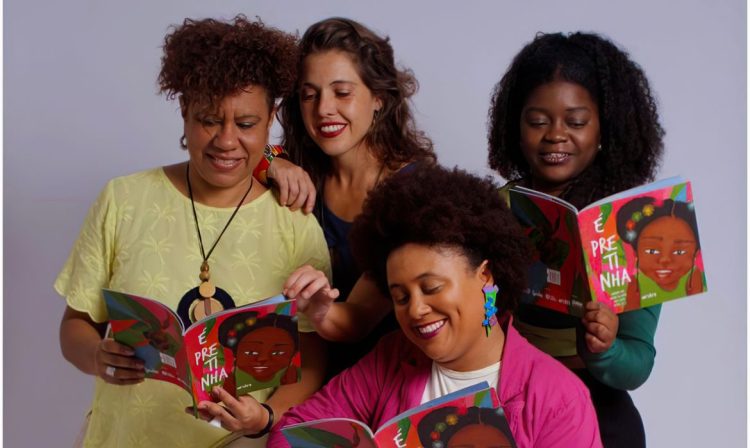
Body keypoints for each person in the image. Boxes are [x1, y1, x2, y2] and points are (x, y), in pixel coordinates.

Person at [55, 16, 331, 447]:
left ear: (270, 120)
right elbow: (75, 325)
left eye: (245, 124)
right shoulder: (122, 200)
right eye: (207, 119)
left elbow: (314, 361)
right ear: (184, 111)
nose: (225, 141)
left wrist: (265, 417)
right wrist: (95, 355)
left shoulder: (295, 223)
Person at [269, 165, 602, 447]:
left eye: (431, 288)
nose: (415, 310)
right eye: (400, 297)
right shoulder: (391, 359)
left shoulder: (558, 399)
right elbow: (290, 435)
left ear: (486, 276)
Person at [487, 32, 665, 447]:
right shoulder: (492, 209)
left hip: (598, 408)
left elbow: (638, 363)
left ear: (605, 127)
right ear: (516, 127)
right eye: (537, 121)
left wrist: (605, 349)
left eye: (576, 121)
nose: (555, 135)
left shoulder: (636, 225)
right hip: (515, 404)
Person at [279, 17, 436, 376]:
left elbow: (357, 321)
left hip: (388, 381)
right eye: (309, 94)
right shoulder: (302, 170)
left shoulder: (413, 193)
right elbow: (242, 152)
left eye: (342, 92)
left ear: (378, 98)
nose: (323, 109)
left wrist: (319, 308)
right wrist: (273, 165)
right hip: (305, 373)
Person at [615, 197, 705, 311]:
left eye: (679, 251)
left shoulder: (693, 277)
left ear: (696, 253)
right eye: (652, 251)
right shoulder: (635, 285)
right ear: (635, 252)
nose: (664, 259)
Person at [217, 312, 300, 396]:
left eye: (278, 352)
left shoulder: (297, 376)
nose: (262, 358)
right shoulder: (225, 380)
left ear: (294, 353)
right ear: (235, 353)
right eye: (251, 352)